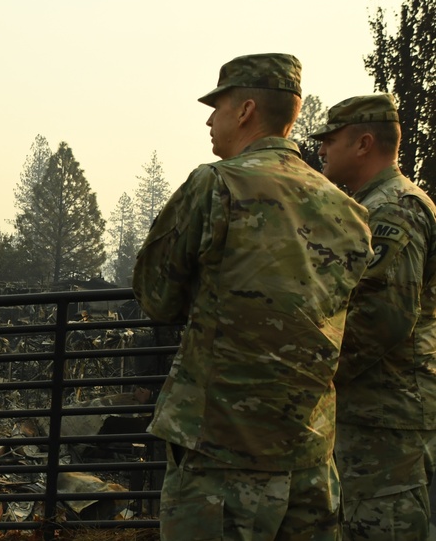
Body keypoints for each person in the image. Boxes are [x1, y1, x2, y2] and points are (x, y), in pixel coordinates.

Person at [132, 52, 373, 541]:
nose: (209, 118)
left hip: (219, 460)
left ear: (244, 111)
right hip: (310, 461)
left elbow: (156, 298)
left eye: (217, 105)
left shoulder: (216, 185)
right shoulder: (350, 212)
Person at [311, 93, 436, 540]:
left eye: (330, 139)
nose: (321, 148)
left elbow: (383, 317)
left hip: (385, 411)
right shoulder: (373, 205)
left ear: (363, 144)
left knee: (383, 526)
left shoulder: (393, 209)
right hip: (374, 406)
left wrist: (316, 377)